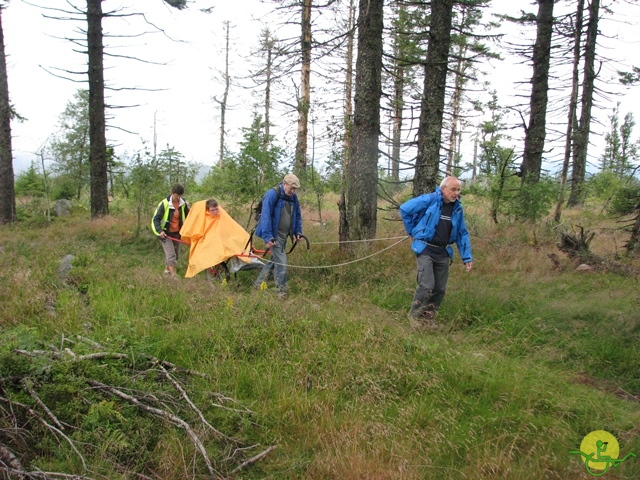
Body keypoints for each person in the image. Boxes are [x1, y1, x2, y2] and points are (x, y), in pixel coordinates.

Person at [400, 176, 473, 329]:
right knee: (426, 285)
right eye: (453, 189)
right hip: (425, 248)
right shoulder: (429, 200)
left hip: (443, 252)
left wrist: (467, 257)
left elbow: (462, 234)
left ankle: (427, 319)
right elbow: (405, 209)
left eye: (458, 190)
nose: (456, 193)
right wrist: (413, 231)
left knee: (439, 289)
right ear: (443, 189)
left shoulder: (457, 209)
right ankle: (414, 319)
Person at [253, 174, 303, 298]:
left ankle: (258, 284)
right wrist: (268, 237)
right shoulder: (272, 194)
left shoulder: (293, 197)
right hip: (274, 235)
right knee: (282, 263)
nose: (293, 191)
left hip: (285, 235)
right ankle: (281, 290)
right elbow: (265, 217)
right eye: (291, 188)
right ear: (284, 184)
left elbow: (297, 215)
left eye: (294, 189)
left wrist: (298, 232)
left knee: (274, 260)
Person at [151, 183, 190, 277]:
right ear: (172, 193)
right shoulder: (164, 204)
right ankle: (174, 277)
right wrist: (160, 231)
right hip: (165, 234)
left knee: (175, 255)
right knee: (171, 256)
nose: (178, 198)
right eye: (176, 195)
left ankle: (166, 272)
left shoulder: (183, 203)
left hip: (177, 233)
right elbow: (155, 219)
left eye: (180, 196)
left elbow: (188, 215)